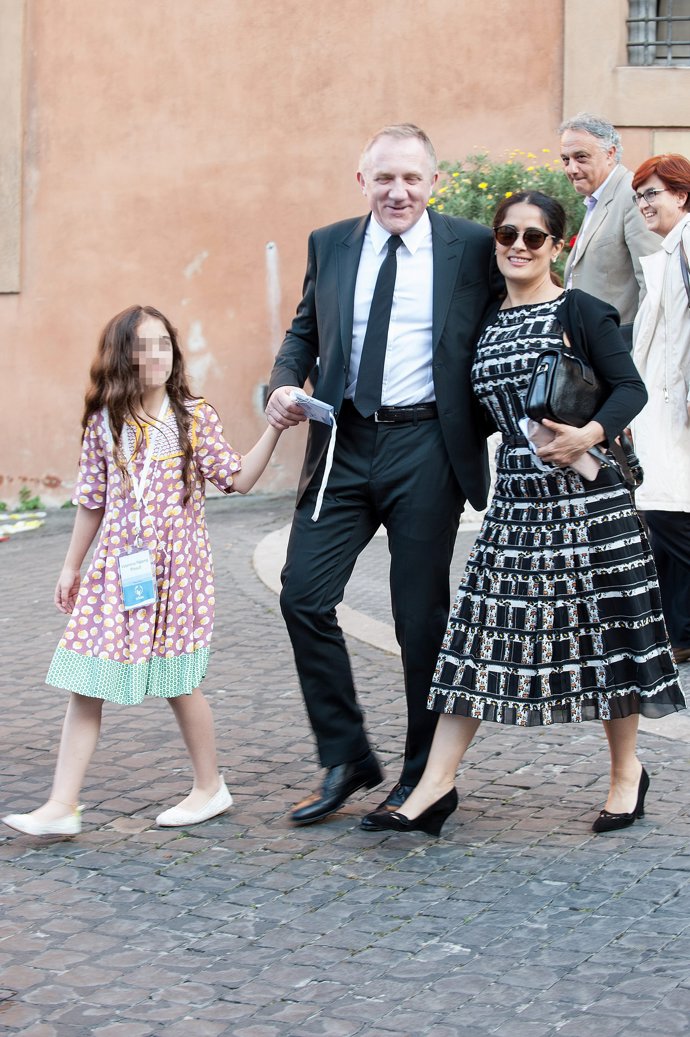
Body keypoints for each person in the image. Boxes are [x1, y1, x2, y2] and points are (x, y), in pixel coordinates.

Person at [361, 191, 685, 839]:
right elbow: (472, 411)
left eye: (534, 237)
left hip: (590, 504)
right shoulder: (482, 321)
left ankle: (627, 776)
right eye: (508, 233)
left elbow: (631, 388)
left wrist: (587, 433)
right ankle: (434, 785)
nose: (518, 244)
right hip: (515, 505)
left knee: (609, 639)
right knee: (475, 638)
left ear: (556, 246)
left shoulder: (581, 311)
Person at [265, 123, 501, 826]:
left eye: (412, 178)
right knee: (303, 592)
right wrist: (283, 381)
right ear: (361, 179)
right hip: (341, 442)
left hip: (427, 443)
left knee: (419, 617)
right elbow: (305, 329)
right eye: (384, 178)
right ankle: (346, 756)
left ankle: (427, 777)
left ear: (435, 181)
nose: (398, 191)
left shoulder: (473, 247)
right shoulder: (329, 242)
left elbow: (501, 329)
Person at [2, 305, 283, 837]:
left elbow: (237, 478)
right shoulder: (105, 421)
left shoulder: (193, 417)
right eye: (141, 345)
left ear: (173, 353)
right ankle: (62, 805)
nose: (153, 356)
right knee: (85, 676)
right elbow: (91, 500)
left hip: (179, 575)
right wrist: (71, 567)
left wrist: (273, 428)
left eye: (162, 344)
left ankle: (209, 787)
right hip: (117, 572)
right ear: (121, 355)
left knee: (179, 681)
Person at [630, 154, 690, 667]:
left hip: (678, 409)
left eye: (652, 193)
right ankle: (681, 630)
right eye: (639, 195)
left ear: (682, 196)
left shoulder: (688, 244)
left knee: (664, 510)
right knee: (664, 513)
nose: (643, 203)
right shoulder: (668, 253)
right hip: (662, 408)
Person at [559, 113, 659, 338]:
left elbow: (654, 285)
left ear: (610, 154)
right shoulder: (598, 199)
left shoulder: (632, 195)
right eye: (566, 160)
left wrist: (639, 351)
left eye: (581, 157)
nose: (571, 169)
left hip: (622, 346)